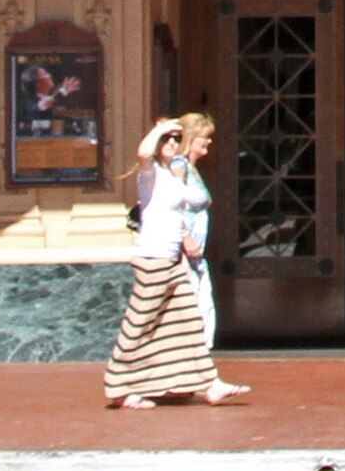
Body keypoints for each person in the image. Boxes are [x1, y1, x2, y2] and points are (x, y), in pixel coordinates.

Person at [103, 114, 249, 409]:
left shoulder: (173, 174)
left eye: (175, 139)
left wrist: (182, 252)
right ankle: (117, 386)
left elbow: (181, 218)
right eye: (166, 140)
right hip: (152, 258)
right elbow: (143, 153)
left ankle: (209, 385)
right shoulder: (150, 173)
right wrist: (159, 130)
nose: (171, 143)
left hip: (172, 259)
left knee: (188, 322)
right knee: (140, 322)